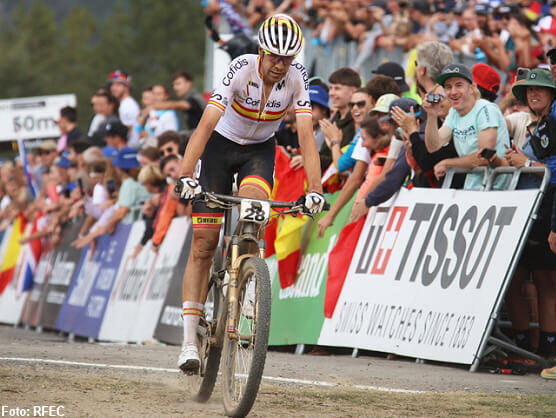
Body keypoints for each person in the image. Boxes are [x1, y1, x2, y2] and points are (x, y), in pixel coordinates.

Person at [175, 14, 326, 373]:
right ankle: (187, 342)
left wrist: (315, 189)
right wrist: (184, 174)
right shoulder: (240, 69)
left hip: (258, 153)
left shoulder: (297, 78)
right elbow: (206, 124)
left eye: (287, 58)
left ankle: (246, 280)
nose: (280, 65)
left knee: (254, 209)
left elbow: (306, 136)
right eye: (274, 56)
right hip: (218, 149)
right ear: (261, 50)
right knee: (203, 243)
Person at [504, 69, 556, 360]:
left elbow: (549, 168)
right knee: (515, 277)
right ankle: (523, 346)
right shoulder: (534, 124)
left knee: (547, 281)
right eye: (528, 91)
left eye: (540, 89)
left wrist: (525, 163)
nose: (533, 94)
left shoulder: (553, 123)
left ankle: (548, 351)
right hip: (525, 207)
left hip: (548, 206)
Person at [425, 63, 509, 190]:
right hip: (473, 187)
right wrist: (432, 115)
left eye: (459, 85)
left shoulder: (485, 109)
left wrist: (448, 164)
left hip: (496, 189)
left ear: (472, 88)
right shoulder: (454, 112)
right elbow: (433, 146)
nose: (453, 92)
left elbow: (484, 157)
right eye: (448, 87)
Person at [108, 70, 141, 147]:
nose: (113, 88)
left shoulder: (128, 105)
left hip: (132, 146)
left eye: (118, 84)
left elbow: (130, 128)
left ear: (127, 87)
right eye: (112, 85)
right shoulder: (126, 103)